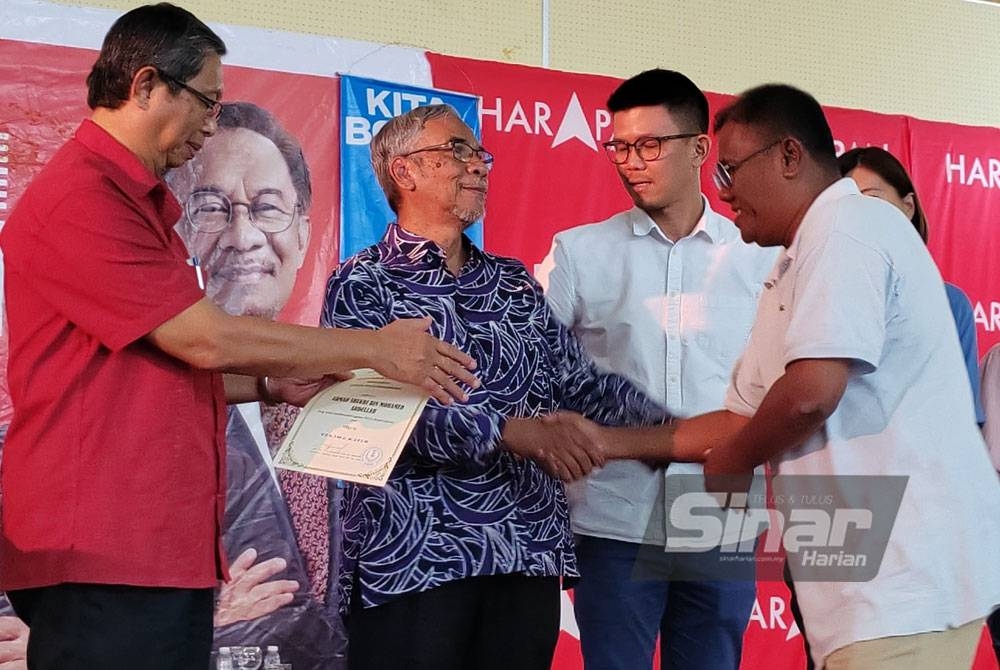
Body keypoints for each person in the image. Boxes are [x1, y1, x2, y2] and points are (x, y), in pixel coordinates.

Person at [0, 6, 476, 669]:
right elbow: (203, 339)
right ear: (144, 85)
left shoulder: (137, 204)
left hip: (155, 554)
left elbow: (147, 372)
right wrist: (374, 347)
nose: (211, 124)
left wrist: (266, 383)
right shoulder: (85, 197)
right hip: (104, 555)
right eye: (206, 102)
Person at [627, 83, 1000, 669]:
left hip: (906, 582)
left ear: (789, 156)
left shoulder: (850, 228)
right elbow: (741, 416)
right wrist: (609, 442)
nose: (722, 193)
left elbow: (810, 395)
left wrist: (735, 459)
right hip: (862, 589)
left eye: (729, 170)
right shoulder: (795, 261)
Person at [321, 104, 679, 670]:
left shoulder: (512, 282)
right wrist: (515, 433)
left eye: (481, 154)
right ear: (404, 172)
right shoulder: (362, 282)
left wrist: (679, 432)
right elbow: (380, 415)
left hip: (524, 552)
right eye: (457, 151)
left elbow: (577, 381)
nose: (480, 166)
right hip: (418, 558)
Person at [536, 68, 774, 670]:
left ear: (699, 149)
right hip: (612, 519)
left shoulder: (758, 257)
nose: (630, 161)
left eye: (649, 145)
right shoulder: (579, 252)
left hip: (719, 521)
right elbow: (528, 365)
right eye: (619, 145)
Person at [169, 101, 346, 670]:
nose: (243, 236)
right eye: (211, 208)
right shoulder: (130, 395)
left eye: (267, 208)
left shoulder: (340, 396)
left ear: (303, 229)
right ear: (172, 228)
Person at [837, 147, 984, 424]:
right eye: (847, 204)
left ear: (908, 207)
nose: (859, 215)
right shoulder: (823, 298)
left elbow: (962, 419)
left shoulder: (949, 304)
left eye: (872, 200)